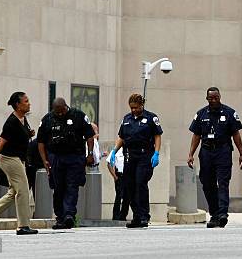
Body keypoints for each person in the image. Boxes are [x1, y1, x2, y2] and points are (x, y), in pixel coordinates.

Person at [0, 92, 38, 235]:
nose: (29, 103)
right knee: (23, 190)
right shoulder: (11, 122)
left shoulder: (23, 119)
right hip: (10, 159)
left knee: (14, 192)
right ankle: (23, 226)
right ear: (18, 105)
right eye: (26, 101)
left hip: (18, 159)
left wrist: (29, 134)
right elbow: (0, 143)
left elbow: (19, 136)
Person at [187, 87, 242, 228]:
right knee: (207, 184)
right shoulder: (201, 114)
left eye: (216, 97)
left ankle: (223, 213)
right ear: (207, 99)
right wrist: (191, 154)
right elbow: (196, 135)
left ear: (220, 97)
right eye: (211, 98)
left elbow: (236, 134)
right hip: (206, 151)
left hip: (223, 151)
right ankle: (214, 214)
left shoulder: (229, 113)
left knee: (223, 183)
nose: (214, 100)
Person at [37, 98, 95, 229]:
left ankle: (69, 214)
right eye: (57, 112)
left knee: (72, 186)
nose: (60, 114)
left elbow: (89, 136)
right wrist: (44, 160)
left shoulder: (78, 116)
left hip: (74, 157)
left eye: (62, 111)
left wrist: (90, 154)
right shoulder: (48, 119)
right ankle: (60, 217)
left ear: (65, 106)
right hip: (56, 157)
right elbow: (41, 142)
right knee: (58, 188)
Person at [108, 93, 162, 228]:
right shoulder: (126, 119)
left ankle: (144, 215)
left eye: (136, 108)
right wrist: (114, 151)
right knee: (129, 185)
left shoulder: (151, 118)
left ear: (142, 105)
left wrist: (156, 153)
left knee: (140, 183)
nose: (133, 110)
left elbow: (157, 136)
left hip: (145, 155)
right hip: (130, 156)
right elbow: (121, 137)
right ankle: (136, 216)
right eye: (131, 108)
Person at [107, 147, 129, 220]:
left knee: (127, 197)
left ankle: (123, 215)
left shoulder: (130, 150)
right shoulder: (116, 150)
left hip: (128, 175)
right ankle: (116, 215)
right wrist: (115, 176)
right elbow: (109, 163)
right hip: (119, 175)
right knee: (119, 196)